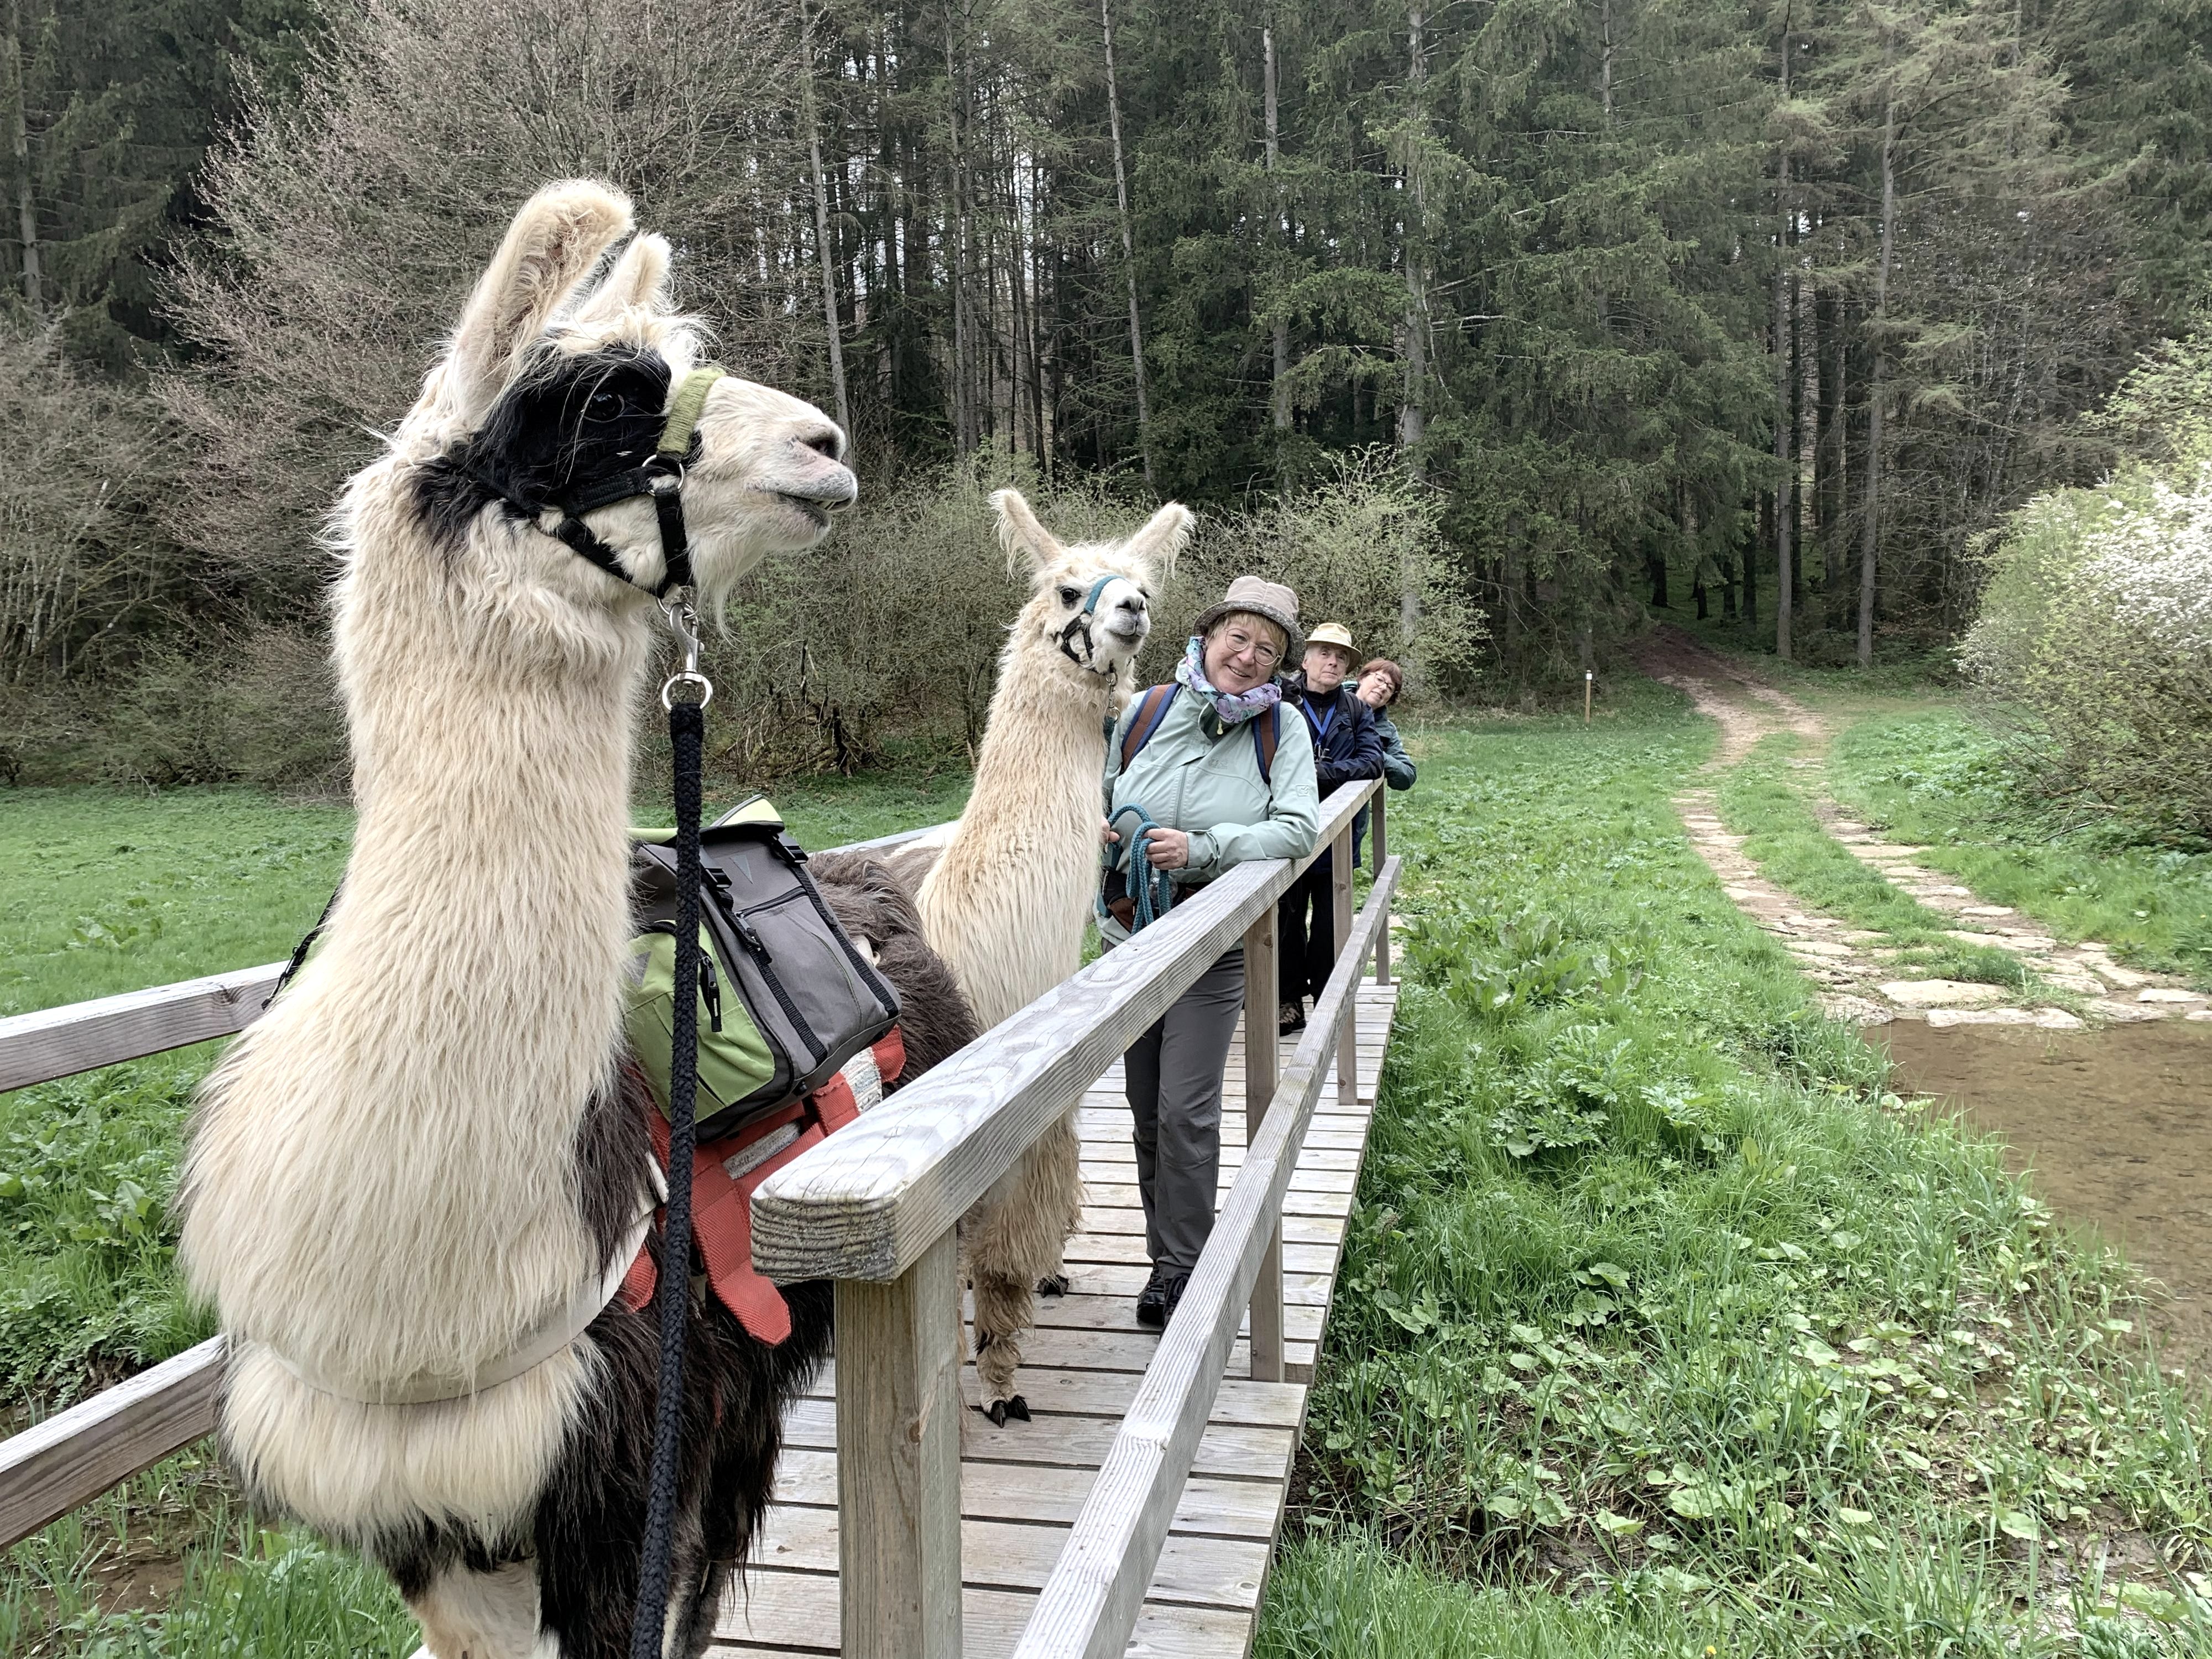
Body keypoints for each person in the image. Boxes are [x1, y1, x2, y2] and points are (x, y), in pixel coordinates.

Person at [1100, 576, 1320, 1330]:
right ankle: (1163, 1257)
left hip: (1211, 941)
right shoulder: (1146, 710)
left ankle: (1183, 1269)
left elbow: (1297, 828)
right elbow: (1100, 793)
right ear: (1208, 637)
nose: (1248, 657)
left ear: (1279, 665)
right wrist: (1100, 828)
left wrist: (1202, 848)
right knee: (1145, 1111)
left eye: (1267, 649)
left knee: (1185, 1111)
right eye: (1239, 638)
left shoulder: (1280, 728)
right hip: (1130, 937)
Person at [1277, 623, 1381, 1035]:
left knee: (1329, 926)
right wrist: (1324, 774)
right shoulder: (1281, 701)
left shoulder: (1357, 711)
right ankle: (1287, 1002)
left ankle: (1326, 1002)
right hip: (1288, 830)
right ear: (1305, 660)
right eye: (1324, 653)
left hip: (1338, 838)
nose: (1333, 662)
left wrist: (1321, 773)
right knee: (1286, 924)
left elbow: (1372, 762)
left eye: (1341, 657)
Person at [1352, 656, 1417, 868]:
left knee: (1338, 885)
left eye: (1390, 688)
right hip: (1314, 810)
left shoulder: (1387, 731)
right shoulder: (1328, 703)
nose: (1382, 688)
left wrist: (1375, 754)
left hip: (1352, 825)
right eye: (1379, 680)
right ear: (1362, 677)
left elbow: (1407, 776)